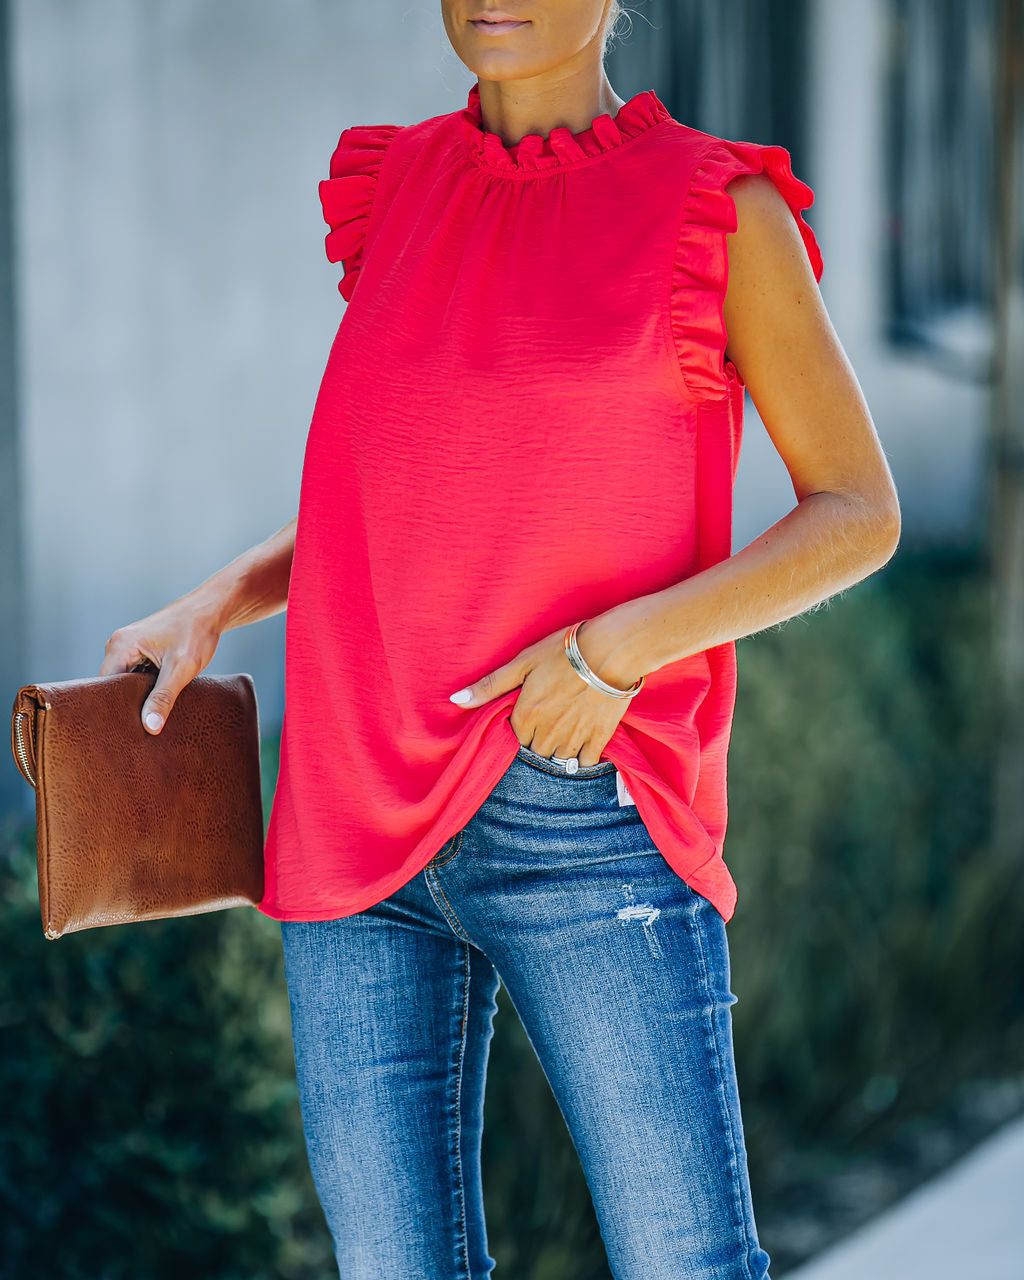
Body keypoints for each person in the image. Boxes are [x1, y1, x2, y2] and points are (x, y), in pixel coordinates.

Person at [100, 2, 901, 1276]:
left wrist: (613, 653)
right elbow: (407, 499)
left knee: (684, 1261)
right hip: (350, 815)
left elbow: (857, 511)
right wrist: (215, 600)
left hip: (578, 814)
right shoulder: (398, 186)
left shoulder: (715, 207)